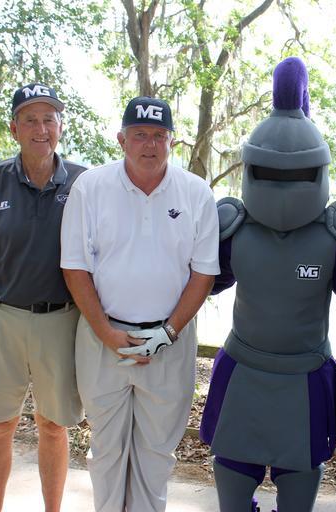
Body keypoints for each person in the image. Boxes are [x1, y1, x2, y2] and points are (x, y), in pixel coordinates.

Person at [198, 57, 336, 512]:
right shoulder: (234, 227)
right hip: (244, 374)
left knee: (298, 492)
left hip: (304, 379)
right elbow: (201, 284)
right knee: (232, 490)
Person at [60, 96, 219, 512]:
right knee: (106, 451)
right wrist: (106, 333)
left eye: (159, 136)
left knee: (156, 454)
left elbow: (203, 274)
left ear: (172, 142)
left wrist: (165, 335)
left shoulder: (196, 192)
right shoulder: (91, 187)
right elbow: (75, 267)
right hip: (103, 337)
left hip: (170, 340)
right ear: (121, 140)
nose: (150, 144)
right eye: (140, 135)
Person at [0, 83, 86, 512]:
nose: (40, 129)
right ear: (14, 129)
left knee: (53, 426)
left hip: (61, 320)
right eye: (30, 120)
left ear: (60, 127)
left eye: (49, 119)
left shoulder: (84, 183)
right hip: (0, 319)